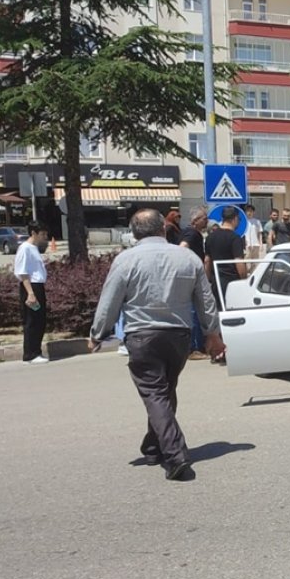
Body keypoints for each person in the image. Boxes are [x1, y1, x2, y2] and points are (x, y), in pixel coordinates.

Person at [89, 209, 223, 482]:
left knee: (156, 395)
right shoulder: (188, 258)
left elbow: (110, 300)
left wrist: (97, 333)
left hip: (142, 336)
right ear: (163, 228)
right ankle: (153, 447)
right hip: (179, 337)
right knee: (164, 391)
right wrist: (212, 333)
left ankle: (176, 456)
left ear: (134, 233)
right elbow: (205, 299)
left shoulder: (125, 260)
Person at [14, 221, 50, 364]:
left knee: (40, 320)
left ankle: (36, 351)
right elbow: (22, 272)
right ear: (33, 233)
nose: (45, 237)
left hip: (38, 286)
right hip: (31, 287)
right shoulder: (25, 248)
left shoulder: (34, 248)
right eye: (42, 234)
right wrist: (30, 293)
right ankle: (30, 354)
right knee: (31, 320)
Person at [179, 207, 210, 361]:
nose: (207, 221)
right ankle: (195, 348)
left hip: (188, 278)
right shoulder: (192, 233)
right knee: (195, 313)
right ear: (195, 220)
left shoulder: (187, 231)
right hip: (192, 278)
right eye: (204, 218)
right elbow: (182, 248)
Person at [205, 205, 248, 305]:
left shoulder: (210, 237)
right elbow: (239, 262)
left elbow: (207, 261)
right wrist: (244, 280)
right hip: (231, 283)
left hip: (215, 281)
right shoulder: (235, 238)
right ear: (235, 219)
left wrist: (208, 281)